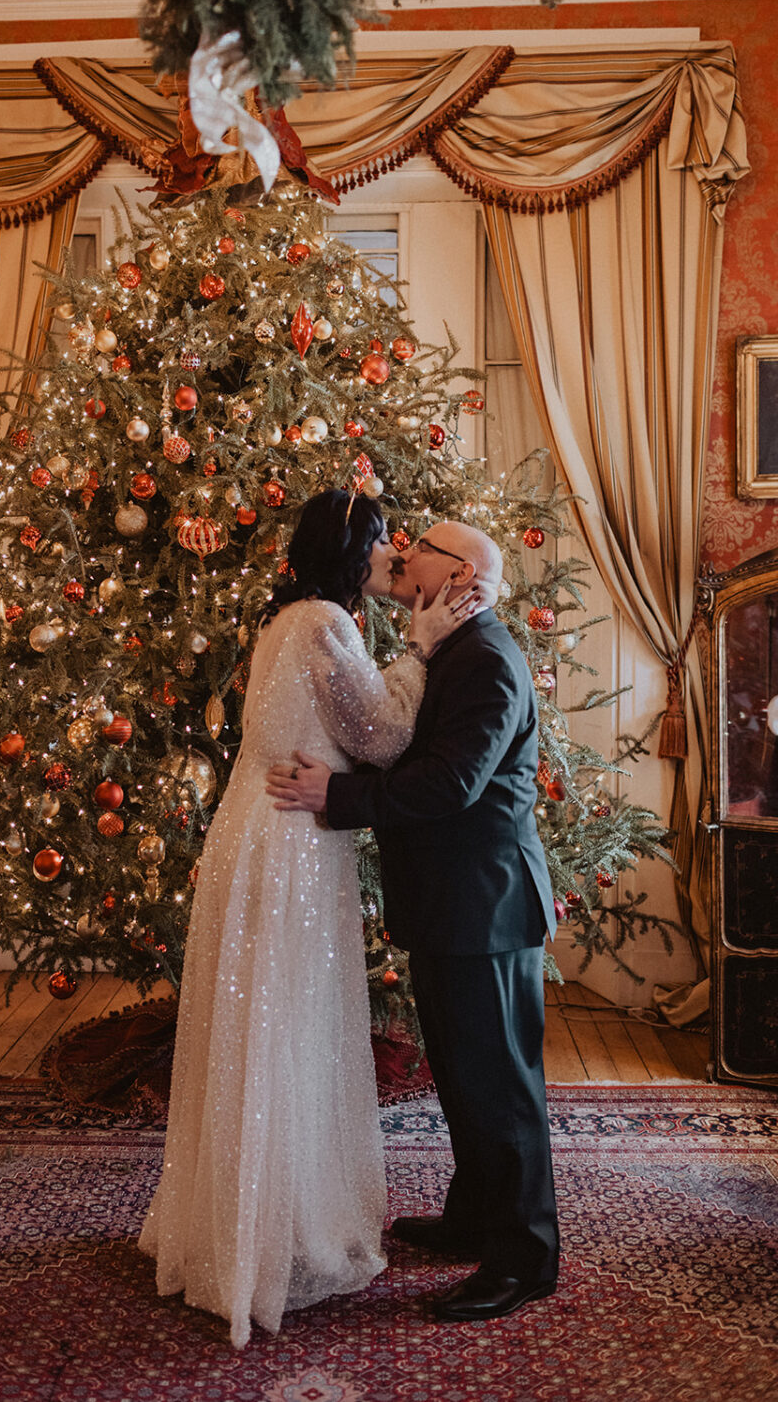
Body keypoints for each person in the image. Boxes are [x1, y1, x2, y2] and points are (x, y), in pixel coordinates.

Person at [138, 489, 478, 1348]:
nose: (394, 562)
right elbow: (384, 740)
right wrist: (425, 649)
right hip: (289, 843)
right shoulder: (326, 617)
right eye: (383, 549)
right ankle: (281, 1241)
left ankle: (246, 1231)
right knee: (286, 1025)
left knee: (261, 1025)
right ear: (351, 551)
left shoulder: (287, 616)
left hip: (257, 831)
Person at [267, 518, 560, 1323]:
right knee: (466, 1077)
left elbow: (449, 785)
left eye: (420, 542)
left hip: (486, 907)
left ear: (461, 573)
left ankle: (525, 1257)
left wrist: (338, 798)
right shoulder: (451, 652)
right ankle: (475, 1217)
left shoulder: (489, 661)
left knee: (502, 1091)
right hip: (452, 904)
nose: (401, 551)